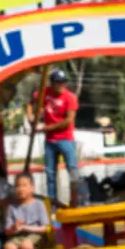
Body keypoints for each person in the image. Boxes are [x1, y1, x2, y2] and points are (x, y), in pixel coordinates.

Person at [35, 69, 82, 208]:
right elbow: (31, 102)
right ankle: (53, 203)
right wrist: (31, 117)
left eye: (63, 82)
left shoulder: (70, 97)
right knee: (50, 173)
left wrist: (47, 128)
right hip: (50, 141)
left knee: (73, 170)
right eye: (58, 83)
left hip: (65, 139)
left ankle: (76, 201)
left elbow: (68, 121)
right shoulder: (45, 93)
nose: (62, 85)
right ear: (52, 83)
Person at [4, 171, 51, 249]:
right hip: (19, 236)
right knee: (9, 248)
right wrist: (14, 227)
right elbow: (7, 231)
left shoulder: (39, 204)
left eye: (24, 185)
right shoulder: (12, 207)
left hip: (36, 235)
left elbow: (44, 228)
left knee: (26, 246)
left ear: (32, 188)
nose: (21, 189)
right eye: (17, 186)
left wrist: (25, 227)